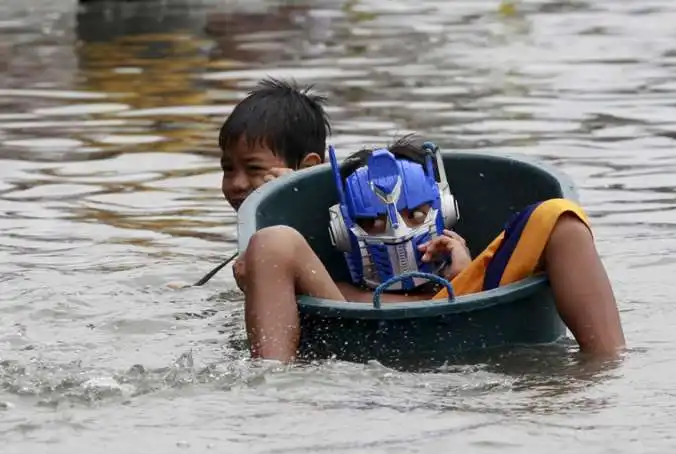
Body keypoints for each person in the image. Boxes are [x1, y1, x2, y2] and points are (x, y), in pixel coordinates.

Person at [241, 134, 626, 362]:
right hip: (361, 345)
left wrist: (462, 277)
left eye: (415, 215)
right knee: (271, 241)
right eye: (371, 221)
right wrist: (255, 268)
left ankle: (609, 367)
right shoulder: (335, 291)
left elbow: (556, 231)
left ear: (444, 212)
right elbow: (271, 255)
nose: (396, 232)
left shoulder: (475, 273)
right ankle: (271, 390)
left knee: (560, 217)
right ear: (342, 231)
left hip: (479, 324)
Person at [217, 76, 331, 290]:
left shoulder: (338, 225)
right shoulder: (256, 231)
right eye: (228, 169)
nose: (237, 184)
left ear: (307, 169)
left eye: (254, 169)